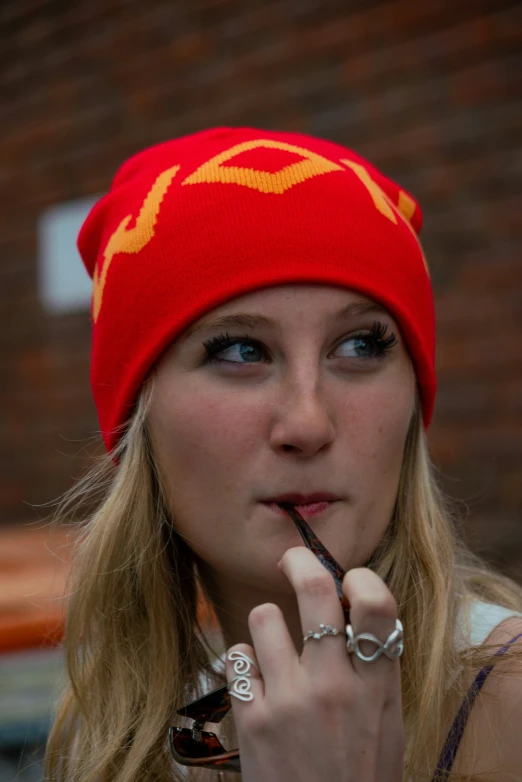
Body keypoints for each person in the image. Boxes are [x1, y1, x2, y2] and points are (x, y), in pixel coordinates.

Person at [44, 127, 522, 782]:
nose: (308, 421)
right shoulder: (110, 738)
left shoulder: (510, 702)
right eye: (240, 350)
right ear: (138, 422)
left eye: (359, 345)